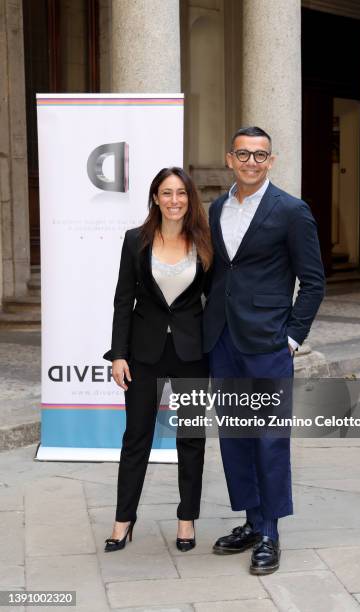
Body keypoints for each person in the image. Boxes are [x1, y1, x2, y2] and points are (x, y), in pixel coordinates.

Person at [203, 126, 325, 574]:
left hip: (268, 343)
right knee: (235, 436)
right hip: (223, 341)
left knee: (269, 439)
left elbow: (313, 282)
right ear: (230, 159)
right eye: (243, 154)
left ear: (270, 161)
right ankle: (252, 521)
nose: (251, 162)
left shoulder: (292, 211)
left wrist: (291, 337)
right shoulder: (216, 208)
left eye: (260, 156)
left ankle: (271, 532)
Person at [103, 167, 212, 553]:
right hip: (144, 353)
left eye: (181, 193)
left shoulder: (204, 241)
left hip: (192, 352)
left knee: (192, 438)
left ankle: (187, 519)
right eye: (166, 193)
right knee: (136, 439)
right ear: (155, 198)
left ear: (189, 198)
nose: (174, 200)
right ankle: (123, 520)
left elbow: (214, 299)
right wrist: (118, 354)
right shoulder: (136, 241)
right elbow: (122, 300)